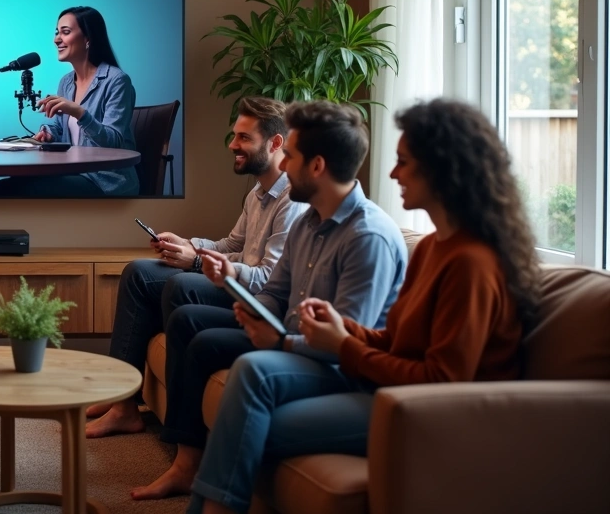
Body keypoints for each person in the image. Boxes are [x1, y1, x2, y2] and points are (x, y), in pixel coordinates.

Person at [187, 99, 538, 514]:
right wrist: (342, 331)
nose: (391, 173)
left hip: (431, 414)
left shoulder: (471, 263)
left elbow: (442, 380)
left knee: (251, 404)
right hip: (388, 388)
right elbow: (395, 339)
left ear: (443, 169)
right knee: (247, 394)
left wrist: (339, 345)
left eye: (403, 162)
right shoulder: (431, 248)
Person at [134, 100, 408, 501]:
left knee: (248, 369)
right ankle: (187, 463)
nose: (283, 165)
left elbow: (343, 346)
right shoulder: (311, 220)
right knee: (200, 335)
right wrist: (242, 296)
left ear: (316, 166)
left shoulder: (368, 237)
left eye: (291, 156)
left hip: (332, 365)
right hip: (290, 339)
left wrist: (279, 342)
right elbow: (274, 294)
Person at [86, 96, 308, 439]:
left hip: (255, 299)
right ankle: (124, 404)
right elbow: (232, 246)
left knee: (181, 286)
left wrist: (199, 262)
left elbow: (267, 280)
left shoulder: (292, 200)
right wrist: (189, 245)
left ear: (276, 143)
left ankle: (179, 428)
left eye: (244, 138)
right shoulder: (257, 195)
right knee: (139, 271)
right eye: (235, 135)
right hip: (233, 281)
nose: (233, 145)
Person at [0, 6, 139, 196]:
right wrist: (48, 132)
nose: (56, 39)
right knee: (7, 185)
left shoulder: (117, 81)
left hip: (105, 181)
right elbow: (60, 127)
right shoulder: (67, 82)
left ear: (88, 39)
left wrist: (79, 113)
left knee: (7, 191)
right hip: (73, 172)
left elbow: (114, 142)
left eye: (65, 32)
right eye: (57, 33)